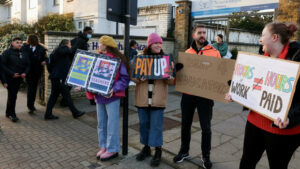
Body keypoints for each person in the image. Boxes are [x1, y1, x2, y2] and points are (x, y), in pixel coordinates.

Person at [225, 22, 300, 169]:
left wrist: (289, 117)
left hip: (284, 130)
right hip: (255, 122)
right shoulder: (261, 57)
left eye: (262, 35)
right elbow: (256, 88)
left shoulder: (297, 58)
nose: (260, 39)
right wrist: (237, 92)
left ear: (274, 37)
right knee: (246, 162)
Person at [173, 24, 221, 169]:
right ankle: (184, 151)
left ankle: (206, 156)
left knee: (206, 128)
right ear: (193, 35)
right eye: (199, 32)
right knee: (185, 125)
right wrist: (176, 71)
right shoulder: (187, 53)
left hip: (205, 97)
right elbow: (179, 78)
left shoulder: (214, 52)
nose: (202, 35)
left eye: (204, 33)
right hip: (188, 95)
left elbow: (220, 74)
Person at [132, 33, 175, 167]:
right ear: (150, 44)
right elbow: (132, 76)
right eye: (156, 43)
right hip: (143, 98)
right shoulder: (140, 59)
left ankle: (158, 151)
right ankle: (146, 148)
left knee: (156, 126)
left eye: (160, 43)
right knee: (144, 124)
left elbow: (172, 80)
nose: (158, 45)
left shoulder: (165, 60)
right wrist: (139, 78)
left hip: (158, 99)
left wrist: (169, 77)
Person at [85, 36, 129, 161]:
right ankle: (104, 146)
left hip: (112, 97)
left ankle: (113, 149)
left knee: (112, 124)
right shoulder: (97, 58)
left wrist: (114, 89)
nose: (98, 45)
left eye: (100, 43)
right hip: (99, 96)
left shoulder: (118, 60)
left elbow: (124, 79)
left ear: (106, 45)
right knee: (101, 124)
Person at [45, 39, 85, 120]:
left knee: (54, 96)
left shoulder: (56, 52)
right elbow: (68, 50)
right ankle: (75, 112)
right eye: (70, 45)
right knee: (66, 95)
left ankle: (48, 114)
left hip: (56, 77)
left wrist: (53, 73)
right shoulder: (61, 49)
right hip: (59, 78)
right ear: (66, 44)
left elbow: (49, 65)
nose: (70, 47)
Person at [64, 26, 96, 106]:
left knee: (70, 84)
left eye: (91, 33)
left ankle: (64, 101)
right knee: (74, 83)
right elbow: (73, 51)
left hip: (75, 64)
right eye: (89, 33)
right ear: (85, 32)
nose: (90, 35)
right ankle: (65, 101)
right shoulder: (81, 41)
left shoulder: (78, 39)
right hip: (78, 65)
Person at [1, 37, 30, 122]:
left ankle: (8, 112)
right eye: (17, 42)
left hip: (19, 79)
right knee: (13, 96)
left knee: (12, 96)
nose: (20, 44)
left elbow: (28, 64)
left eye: (21, 42)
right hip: (10, 78)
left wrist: (25, 72)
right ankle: (12, 114)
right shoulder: (7, 52)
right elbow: (2, 66)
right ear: (12, 43)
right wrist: (11, 74)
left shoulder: (23, 52)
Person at [22, 34, 47, 114]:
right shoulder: (24, 47)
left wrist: (45, 61)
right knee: (30, 89)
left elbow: (46, 58)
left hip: (37, 72)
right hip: (28, 72)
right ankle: (30, 106)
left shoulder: (41, 48)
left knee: (33, 89)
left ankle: (31, 105)